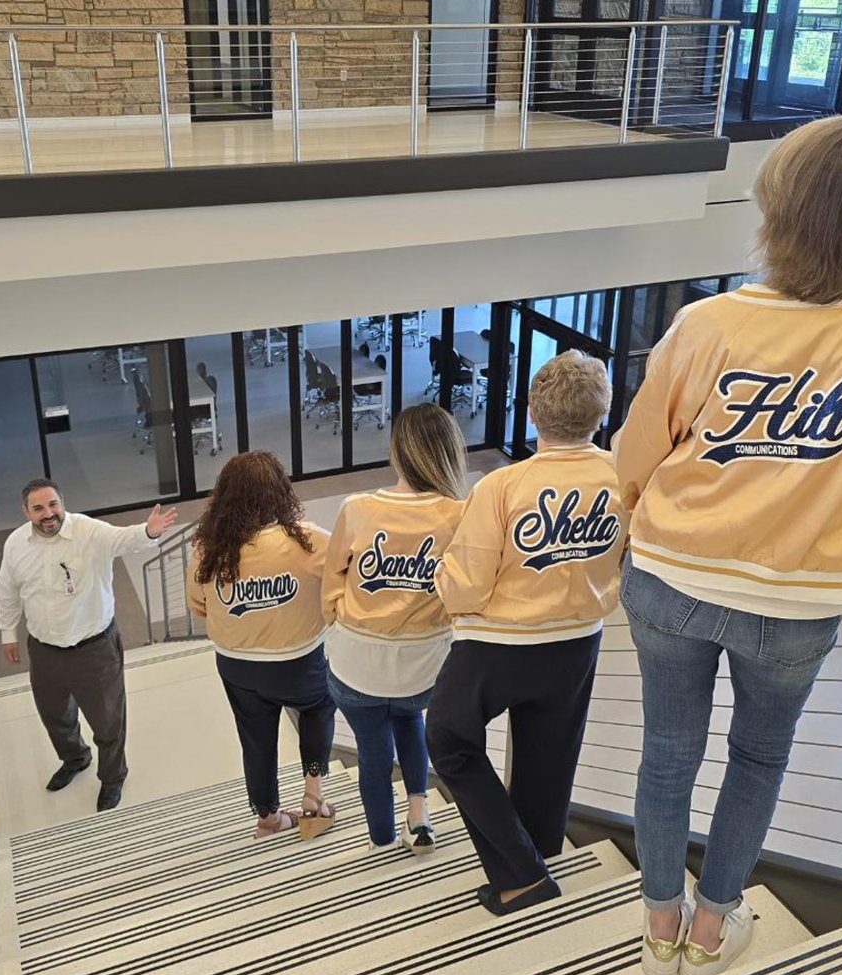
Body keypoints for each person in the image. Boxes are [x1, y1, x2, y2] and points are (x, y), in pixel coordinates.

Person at [613, 114, 842, 975]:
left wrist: (646, 524)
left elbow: (636, 456)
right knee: (759, 758)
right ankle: (712, 924)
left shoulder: (707, 323)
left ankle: (658, 928)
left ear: (772, 205)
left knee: (666, 751)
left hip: (671, 579)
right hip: (801, 600)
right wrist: (834, 533)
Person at [427, 351, 626, 914]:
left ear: (533, 414)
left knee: (446, 737)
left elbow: (465, 586)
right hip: (578, 639)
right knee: (549, 753)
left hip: (500, 644)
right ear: (601, 415)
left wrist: (442, 578)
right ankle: (539, 849)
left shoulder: (503, 486)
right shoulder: (622, 476)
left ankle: (523, 871)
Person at [322, 404, 468, 853]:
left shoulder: (358, 508)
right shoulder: (461, 514)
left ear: (397, 454)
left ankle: (383, 842)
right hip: (423, 668)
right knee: (410, 718)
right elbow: (466, 593)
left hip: (356, 667)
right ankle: (419, 813)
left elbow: (330, 590)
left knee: (371, 752)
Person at [0, 478, 177, 811]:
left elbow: (124, 539)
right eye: (38, 508)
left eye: (53, 505)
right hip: (45, 649)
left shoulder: (88, 531)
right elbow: (7, 590)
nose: (48, 513)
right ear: (26, 512)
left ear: (62, 502)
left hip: (94, 648)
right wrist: (8, 632)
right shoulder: (15, 544)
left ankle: (112, 778)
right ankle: (75, 758)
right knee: (54, 715)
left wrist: (149, 531)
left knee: (108, 720)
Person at [187, 452, 336, 838]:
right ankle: (313, 794)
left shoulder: (208, 549)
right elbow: (343, 585)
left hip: (237, 665)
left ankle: (268, 817)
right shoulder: (309, 541)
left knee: (255, 737)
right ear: (280, 492)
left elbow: (199, 605)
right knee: (320, 706)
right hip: (298, 660)